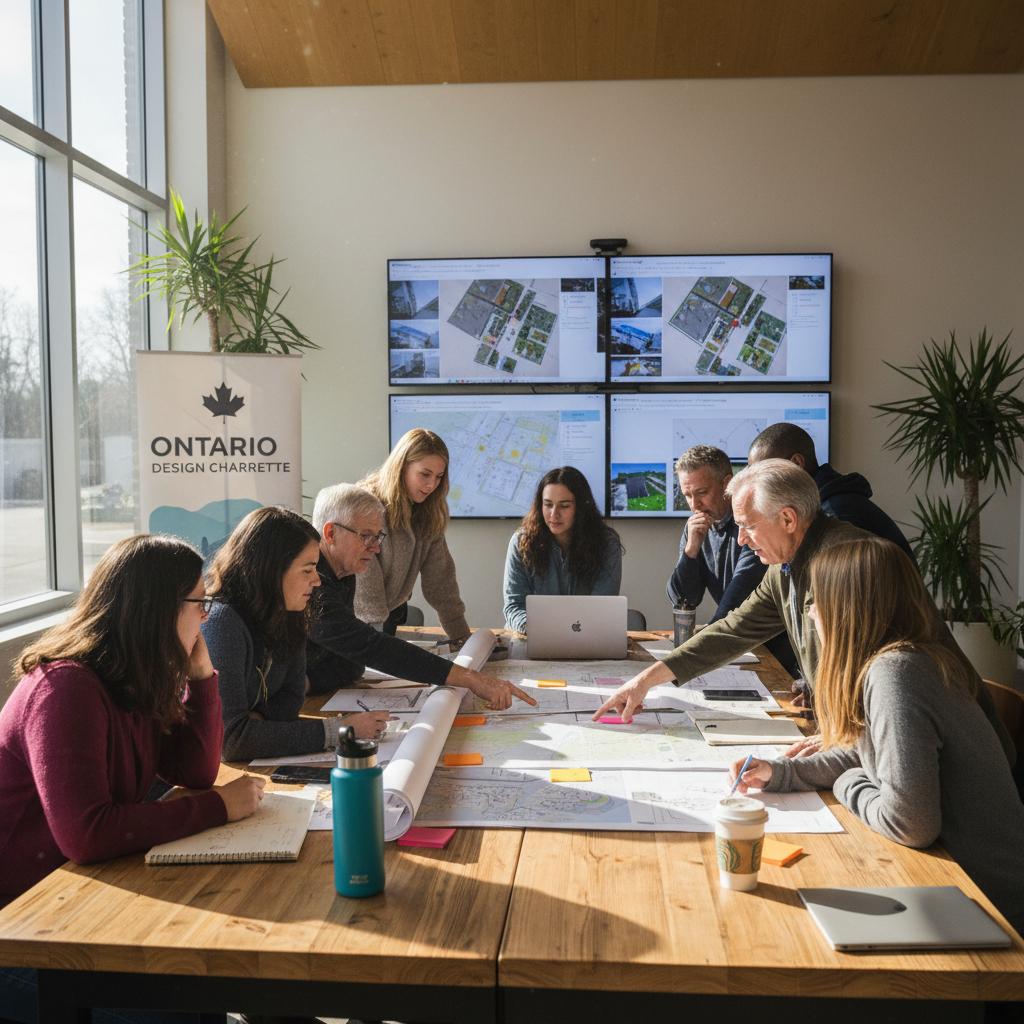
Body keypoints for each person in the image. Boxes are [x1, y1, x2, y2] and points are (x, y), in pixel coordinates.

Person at [0, 535, 265, 1024]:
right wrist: (219, 807)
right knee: (181, 1012)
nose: (207, 617)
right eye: (199, 603)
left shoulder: (133, 676)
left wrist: (202, 675)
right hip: (15, 927)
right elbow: (88, 833)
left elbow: (195, 771)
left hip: (66, 904)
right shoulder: (66, 687)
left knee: (209, 993)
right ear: (159, 610)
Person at [592, 459, 1015, 765]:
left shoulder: (849, 565)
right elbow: (733, 629)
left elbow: (888, 676)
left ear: (789, 519)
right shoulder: (785, 564)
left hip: (945, 757)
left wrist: (843, 737)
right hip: (882, 744)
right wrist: (645, 681)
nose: (741, 540)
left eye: (748, 525)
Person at [728, 535, 1024, 936]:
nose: (811, 613)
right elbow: (871, 754)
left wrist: (848, 783)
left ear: (847, 610)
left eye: (817, 602)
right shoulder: (907, 660)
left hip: (992, 910)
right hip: (962, 891)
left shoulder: (896, 676)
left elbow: (910, 824)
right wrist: (780, 773)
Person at [307, 483, 536, 710]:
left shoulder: (343, 572)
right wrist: (472, 679)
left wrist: (306, 682)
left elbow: (352, 660)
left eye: (378, 537)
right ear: (331, 533)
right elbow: (369, 646)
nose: (376, 548)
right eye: (366, 536)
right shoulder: (311, 583)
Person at [203, 506, 394, 762]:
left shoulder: (290, 611)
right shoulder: (221, 623)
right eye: (307, 570)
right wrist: (340, 730)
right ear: (271, 571)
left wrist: (256, 723)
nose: (317, 580)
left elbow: (293, 698)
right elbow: (230, 741)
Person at [667, 445, 797, 675]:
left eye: (702, 492)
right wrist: (691, 551)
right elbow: (683, 602)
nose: (694, 505)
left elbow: (739, 597)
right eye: (687, 495)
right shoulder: (696, 528)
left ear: (727, 484)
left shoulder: (752, 525)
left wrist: (699, 649)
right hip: (738, 645)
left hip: (778, 652)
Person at [747, 421, 917, 565]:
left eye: (764, 473)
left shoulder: (837, 515)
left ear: (797, 463)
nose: (757, 484)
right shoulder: (819, 506)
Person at [355, 428, 470, 639]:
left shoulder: (427, 514)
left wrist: (462, 639)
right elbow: (365, 591)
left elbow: (441, 583)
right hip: (354, 621)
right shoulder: (365, 506)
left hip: (387, 617)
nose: (431, 484)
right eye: (425, 474)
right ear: (401, 467)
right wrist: (374, 646)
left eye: (439, 477)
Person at [504, 466, 622, 635]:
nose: (554, 514)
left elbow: (601, 606)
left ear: (581, 508)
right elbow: (515, 606)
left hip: (585, 637)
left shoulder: (607, 543)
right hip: (533, 636)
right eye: (548, 505)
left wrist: (566, 632)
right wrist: (537, 629)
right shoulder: (521, 542)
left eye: (564, 506)